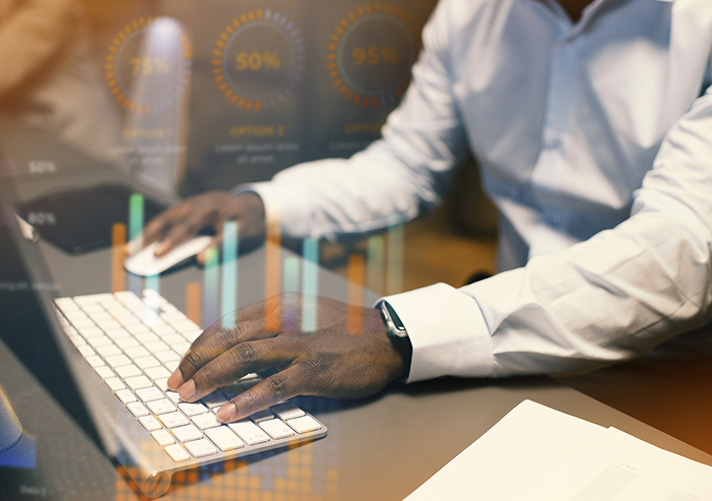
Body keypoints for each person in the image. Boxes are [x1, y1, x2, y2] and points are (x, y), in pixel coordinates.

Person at [139, 0, 712, 424]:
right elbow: (407, 165)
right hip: (496, 344)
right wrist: (265, 203)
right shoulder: (469, 14)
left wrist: (399, 332)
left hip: (667, 370)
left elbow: (680, 244)